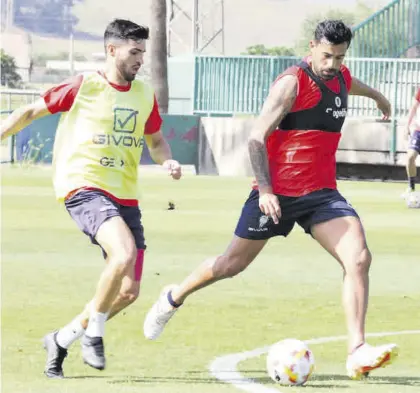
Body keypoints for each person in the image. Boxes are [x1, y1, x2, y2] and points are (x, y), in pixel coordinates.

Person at [143, 20, 398, 380]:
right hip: (276, 192)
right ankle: (173, 297)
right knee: (230, 264)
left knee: (358, 258)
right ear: (311, 47)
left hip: (321, 195)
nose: (332, 64)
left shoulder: (340, 75)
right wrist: (265, 190)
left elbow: (349, 83)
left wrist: (378, 97)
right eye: (326, 55)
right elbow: (256, 138)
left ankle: (357, 350)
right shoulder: (292, 83)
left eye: (340, 57)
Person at [1, 19, 182, 378]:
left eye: (143, 52)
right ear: (111, 50)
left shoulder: (145, 94)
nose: (140, 59)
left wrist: (168, 160)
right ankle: (94, 333)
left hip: (126, 196)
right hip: (84, 186)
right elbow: (27, 112)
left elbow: (157, 141)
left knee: (128, 291)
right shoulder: (83, 86)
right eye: (134, 52)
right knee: (123, 253)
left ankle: (62, 338)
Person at [402, 87, 420, 197]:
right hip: (418, 131)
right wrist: (406, 126)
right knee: (410, 157)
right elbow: (414, 107)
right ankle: (411, 187)